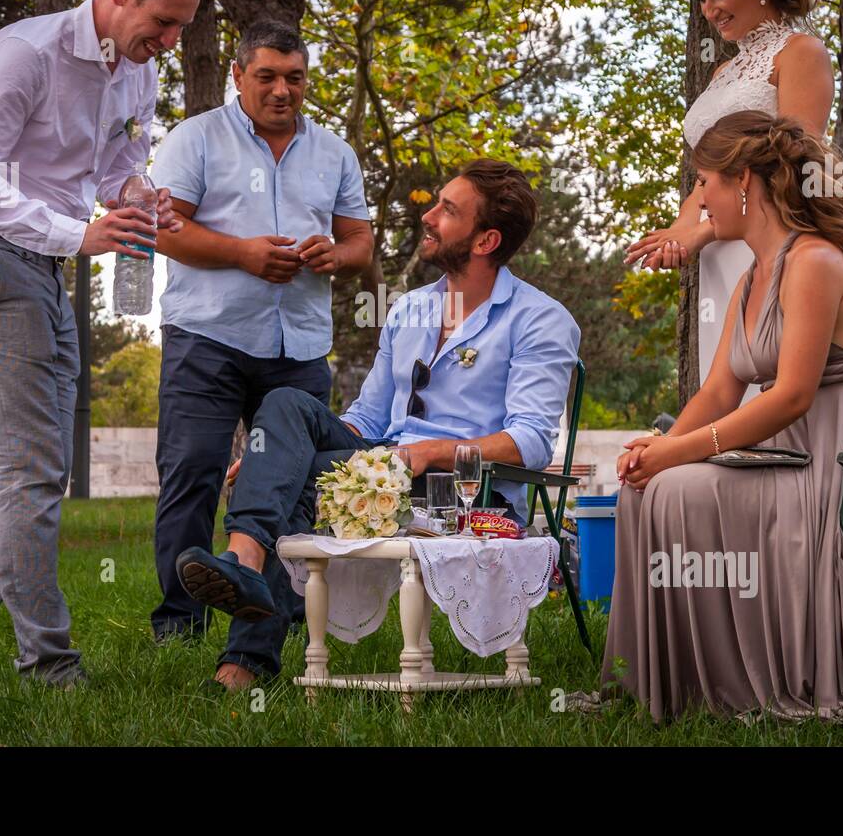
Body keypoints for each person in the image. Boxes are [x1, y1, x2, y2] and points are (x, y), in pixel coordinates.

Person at [0, 0, 200, 687]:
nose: (168, 42)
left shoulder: (136, 73)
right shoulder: (25, 53)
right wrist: (79, 234)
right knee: (29, 472)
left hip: (44, 266)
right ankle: (49, 666)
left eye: (179, 31)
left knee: (26, 472)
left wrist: (141, 197)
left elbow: (113, 171)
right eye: (162, 22)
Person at [173, 159, 581, 689]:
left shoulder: (540, 319)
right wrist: (269, 455)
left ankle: (245, 663)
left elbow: (528, 441)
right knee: (286, 405)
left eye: (448, 211)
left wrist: (428, 453)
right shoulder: (409, 308)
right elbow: (365, 417)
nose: (428, 217)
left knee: (297, 477)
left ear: (486, 241)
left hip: (459, 491)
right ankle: (244, 560)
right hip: (379, 461)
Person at [601, 111, 843, 721]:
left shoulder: (814, 263)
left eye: (704, 183)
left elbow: (792, 396)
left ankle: (746, 684)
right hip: (788, 456)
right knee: (642, 490)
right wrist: (660, 444)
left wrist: (682, 452)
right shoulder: (754, 277)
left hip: (842, 465)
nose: (699, 202)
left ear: (743, 180)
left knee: (676, 488)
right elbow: (721, 391)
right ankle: (672, 686)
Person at [148, 20, 374, 645]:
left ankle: (274, 618)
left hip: (297, 347)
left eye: (294, 78)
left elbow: (361, 242)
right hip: (207, 339)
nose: (282, 90)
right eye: (267, 76)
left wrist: (336, 254)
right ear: (238, 75)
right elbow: (166, 231)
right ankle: (179, 626)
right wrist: (242, 254)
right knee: (192, 474)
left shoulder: (334, 152)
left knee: (298, 483)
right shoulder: (195, 139)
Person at [625, 0, 833, 398]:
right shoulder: (723, 71)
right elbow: (708, 172)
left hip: (769, 236)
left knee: (769, 380)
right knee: (724, 382)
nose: (709, 10)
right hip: (719, 248)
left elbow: (797, 162)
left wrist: (700, 231)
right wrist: (682, 228)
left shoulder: (801, 53)